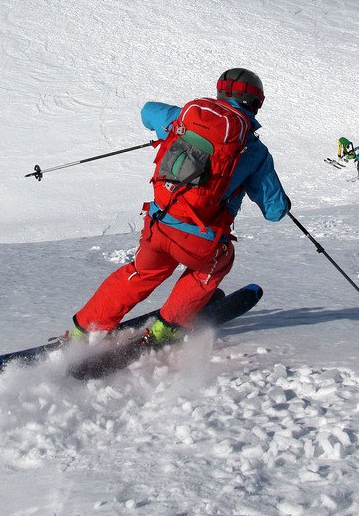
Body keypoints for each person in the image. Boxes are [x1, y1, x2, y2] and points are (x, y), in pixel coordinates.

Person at [70, 68, 290, 346]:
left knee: (141, 272)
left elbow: (147, 111)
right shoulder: (253, 150)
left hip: (158, 224)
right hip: (201, 239)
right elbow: (275, 211)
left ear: (220, 92)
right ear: (256, 103)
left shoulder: (184, 117)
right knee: (217, 264)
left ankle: (85, 330)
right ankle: (168, 329)